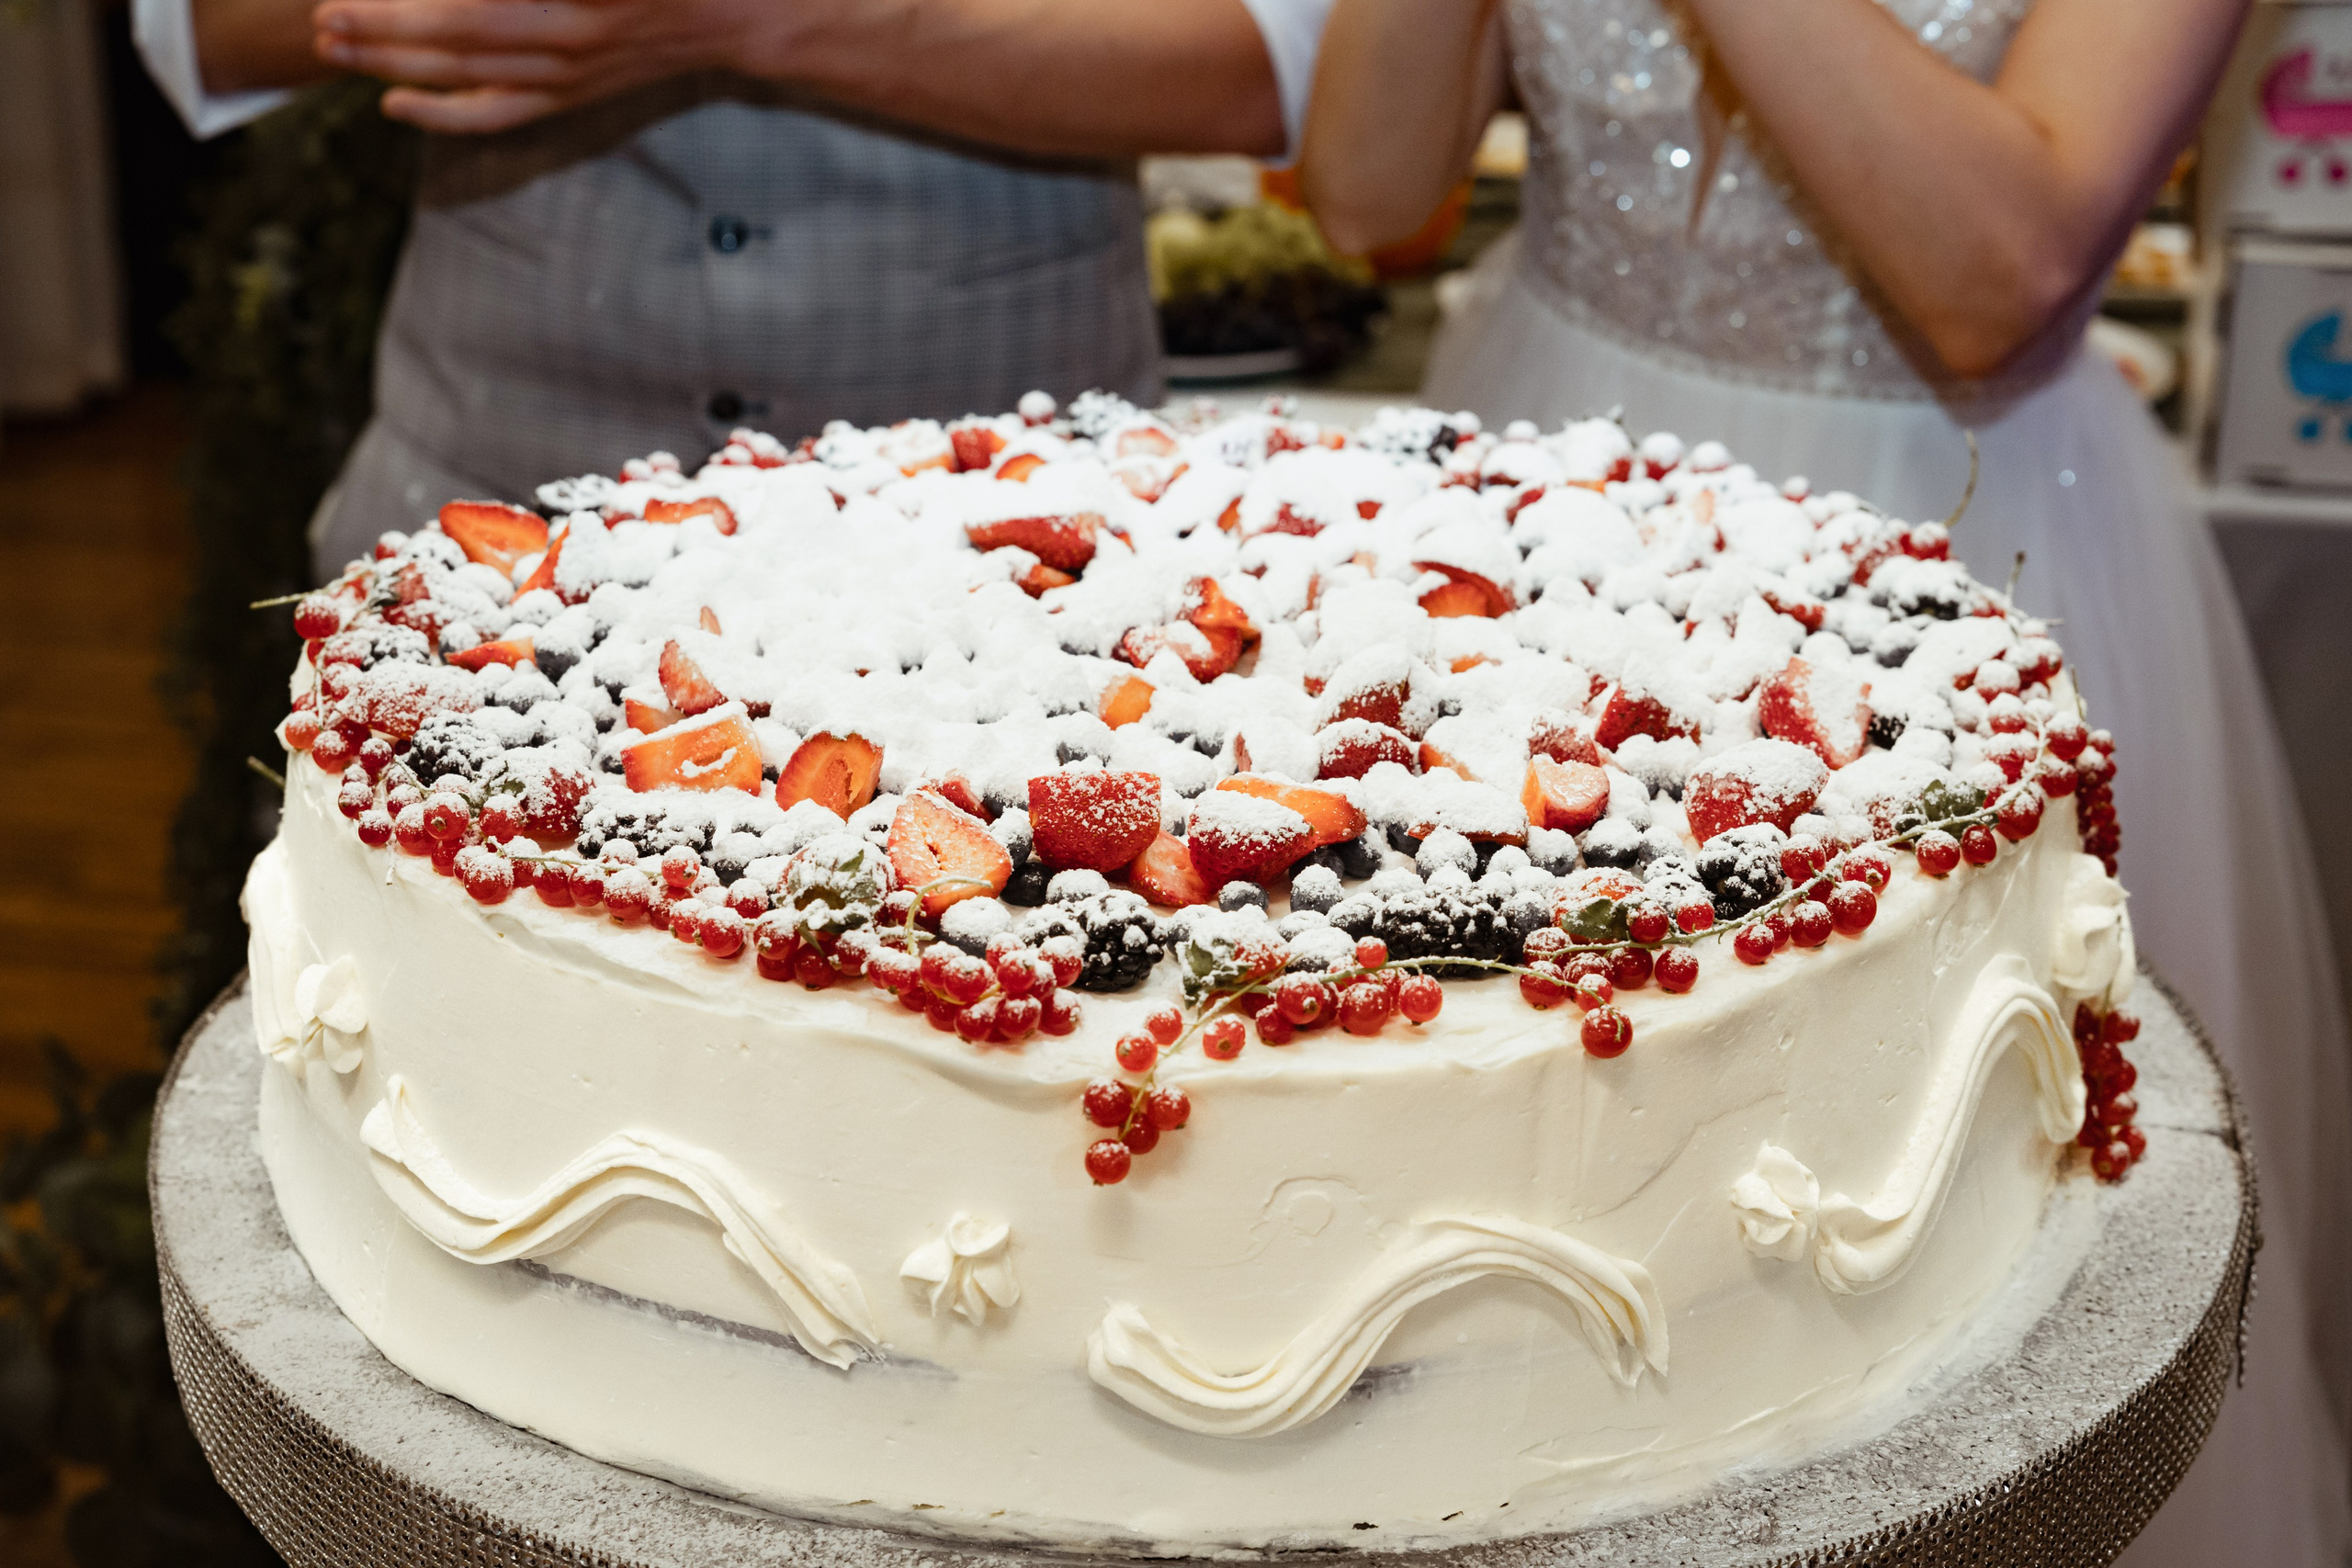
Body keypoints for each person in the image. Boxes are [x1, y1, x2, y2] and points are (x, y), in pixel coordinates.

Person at [1301, 3, 2352, 1562]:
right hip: (1545, 536)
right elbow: (1368, 196)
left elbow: (1995, 278)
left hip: (1941, 556)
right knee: (1507, 1255)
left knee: (1885, 1298)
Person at [136, 0, 1333, 571]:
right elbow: (194, 25)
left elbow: (1284, 70)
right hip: (486, 518)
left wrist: (768, 20)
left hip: (1019, 549)